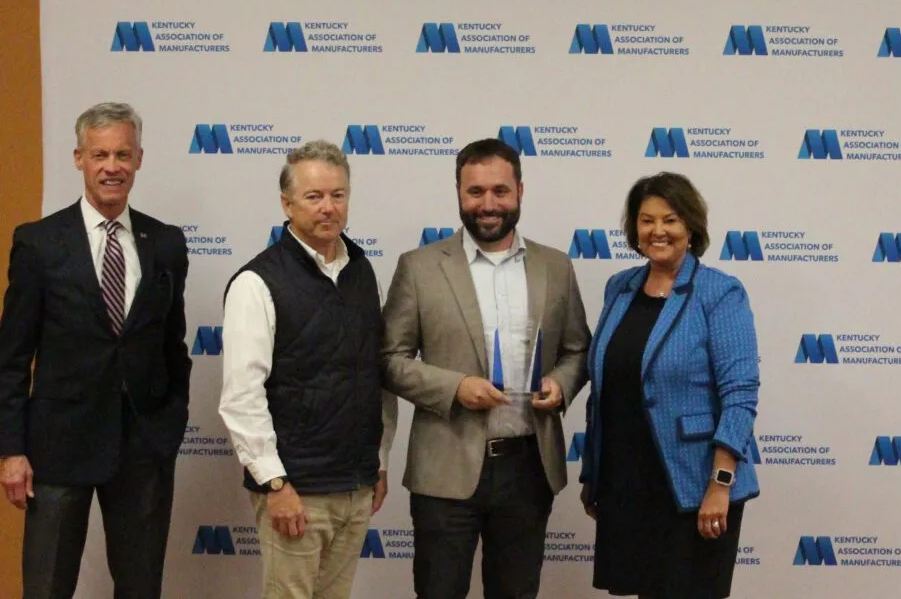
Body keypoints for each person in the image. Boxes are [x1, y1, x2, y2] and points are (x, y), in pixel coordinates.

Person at [381, 138, 591, 599]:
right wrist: (454, 387)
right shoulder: (418, 268)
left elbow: (579, 350)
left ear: (520, 190)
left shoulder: (556, 266)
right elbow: (388, 361)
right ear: (458, 191)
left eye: (500, 191)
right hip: (445, 469)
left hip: (529, 469)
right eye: (475, 192)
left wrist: (560, 385)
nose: (488, 204)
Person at [0, 102, 192, 597]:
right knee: (47, 586)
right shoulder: (39, 243)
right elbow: (13, 358)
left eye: (122, 155)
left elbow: (173, 345)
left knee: (140, 586)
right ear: (79, 158)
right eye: (100, 154)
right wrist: (12, 450)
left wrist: (167, 428)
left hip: (142, 449)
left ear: (140, 159)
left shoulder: (166, 242)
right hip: (56, 447)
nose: (112, 167)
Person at [219, 140, 396, 599]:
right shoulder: (256, 283)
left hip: (355, 485)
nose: (328, 208)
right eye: (314, 197)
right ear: (287, 203)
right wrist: (274, 483)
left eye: (338, 195)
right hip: (295, 490)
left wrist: (378, 463)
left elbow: (373, 376)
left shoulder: (361, 271)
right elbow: (242, 396)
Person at [580, 172, 760, 599]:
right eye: (646, 220)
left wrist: (720, 482)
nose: (657, 230)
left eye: (671, 220)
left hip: (694, 485)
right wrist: (595, 472)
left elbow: (740, 394)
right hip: (628, 480)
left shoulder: (719, 292)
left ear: (691, 227)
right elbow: (608, 385)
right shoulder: (619, 287)